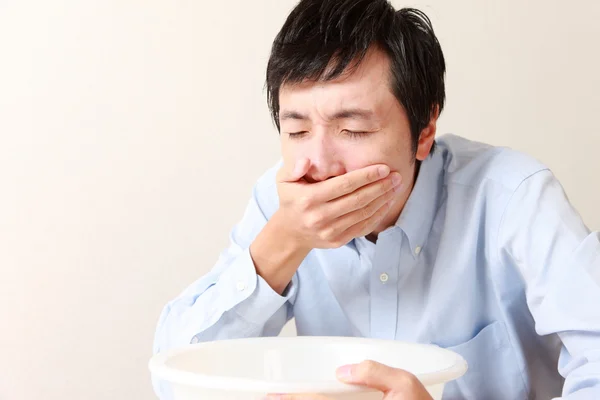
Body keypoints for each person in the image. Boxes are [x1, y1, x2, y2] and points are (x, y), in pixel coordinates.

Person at [152, 0, 600, 398]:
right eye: (297, 130)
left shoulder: (513, 198)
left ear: (424, 132)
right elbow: (174, 379)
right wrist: (286, 240)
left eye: (354, 130)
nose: (320, 164)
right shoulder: (283, 200)